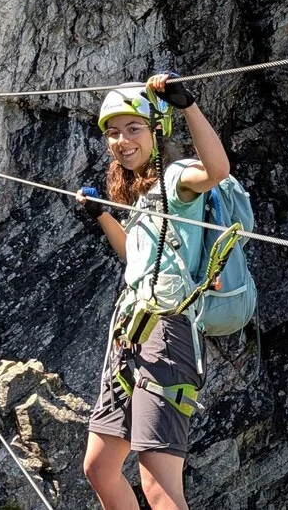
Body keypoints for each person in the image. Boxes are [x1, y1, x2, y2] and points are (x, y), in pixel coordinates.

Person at [76, 73, 230, 510]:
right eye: (112, 133)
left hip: (168, 335)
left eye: (133, 129)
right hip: (130, 336)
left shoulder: (176, 176)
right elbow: (136, 261)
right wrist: (104, 215)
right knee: (100, 468)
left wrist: (187, 105)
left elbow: (217, 170)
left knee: (159, 487)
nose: (121, 141)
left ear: (156, 131)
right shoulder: (139, 194)